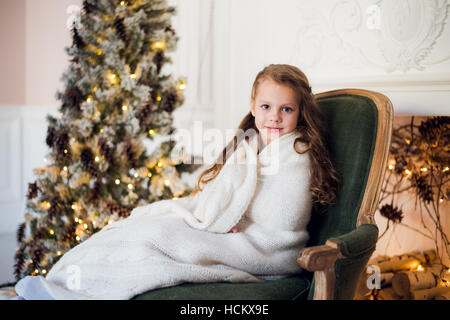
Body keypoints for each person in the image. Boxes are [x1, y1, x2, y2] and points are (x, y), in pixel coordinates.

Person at [13, 64, 340, 300]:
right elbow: (224, 193)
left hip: (265, 249)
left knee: (158, 239)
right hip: (232, 231)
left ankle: (79, 294)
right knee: (141, 224)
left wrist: (233, 222)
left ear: (300, 113)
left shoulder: (296, 153)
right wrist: (219, 216)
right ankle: (62, 285)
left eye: (287, 109)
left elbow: (281, 221)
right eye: (267, 107)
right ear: (253, 107)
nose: (275, 117)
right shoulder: (248, 144)